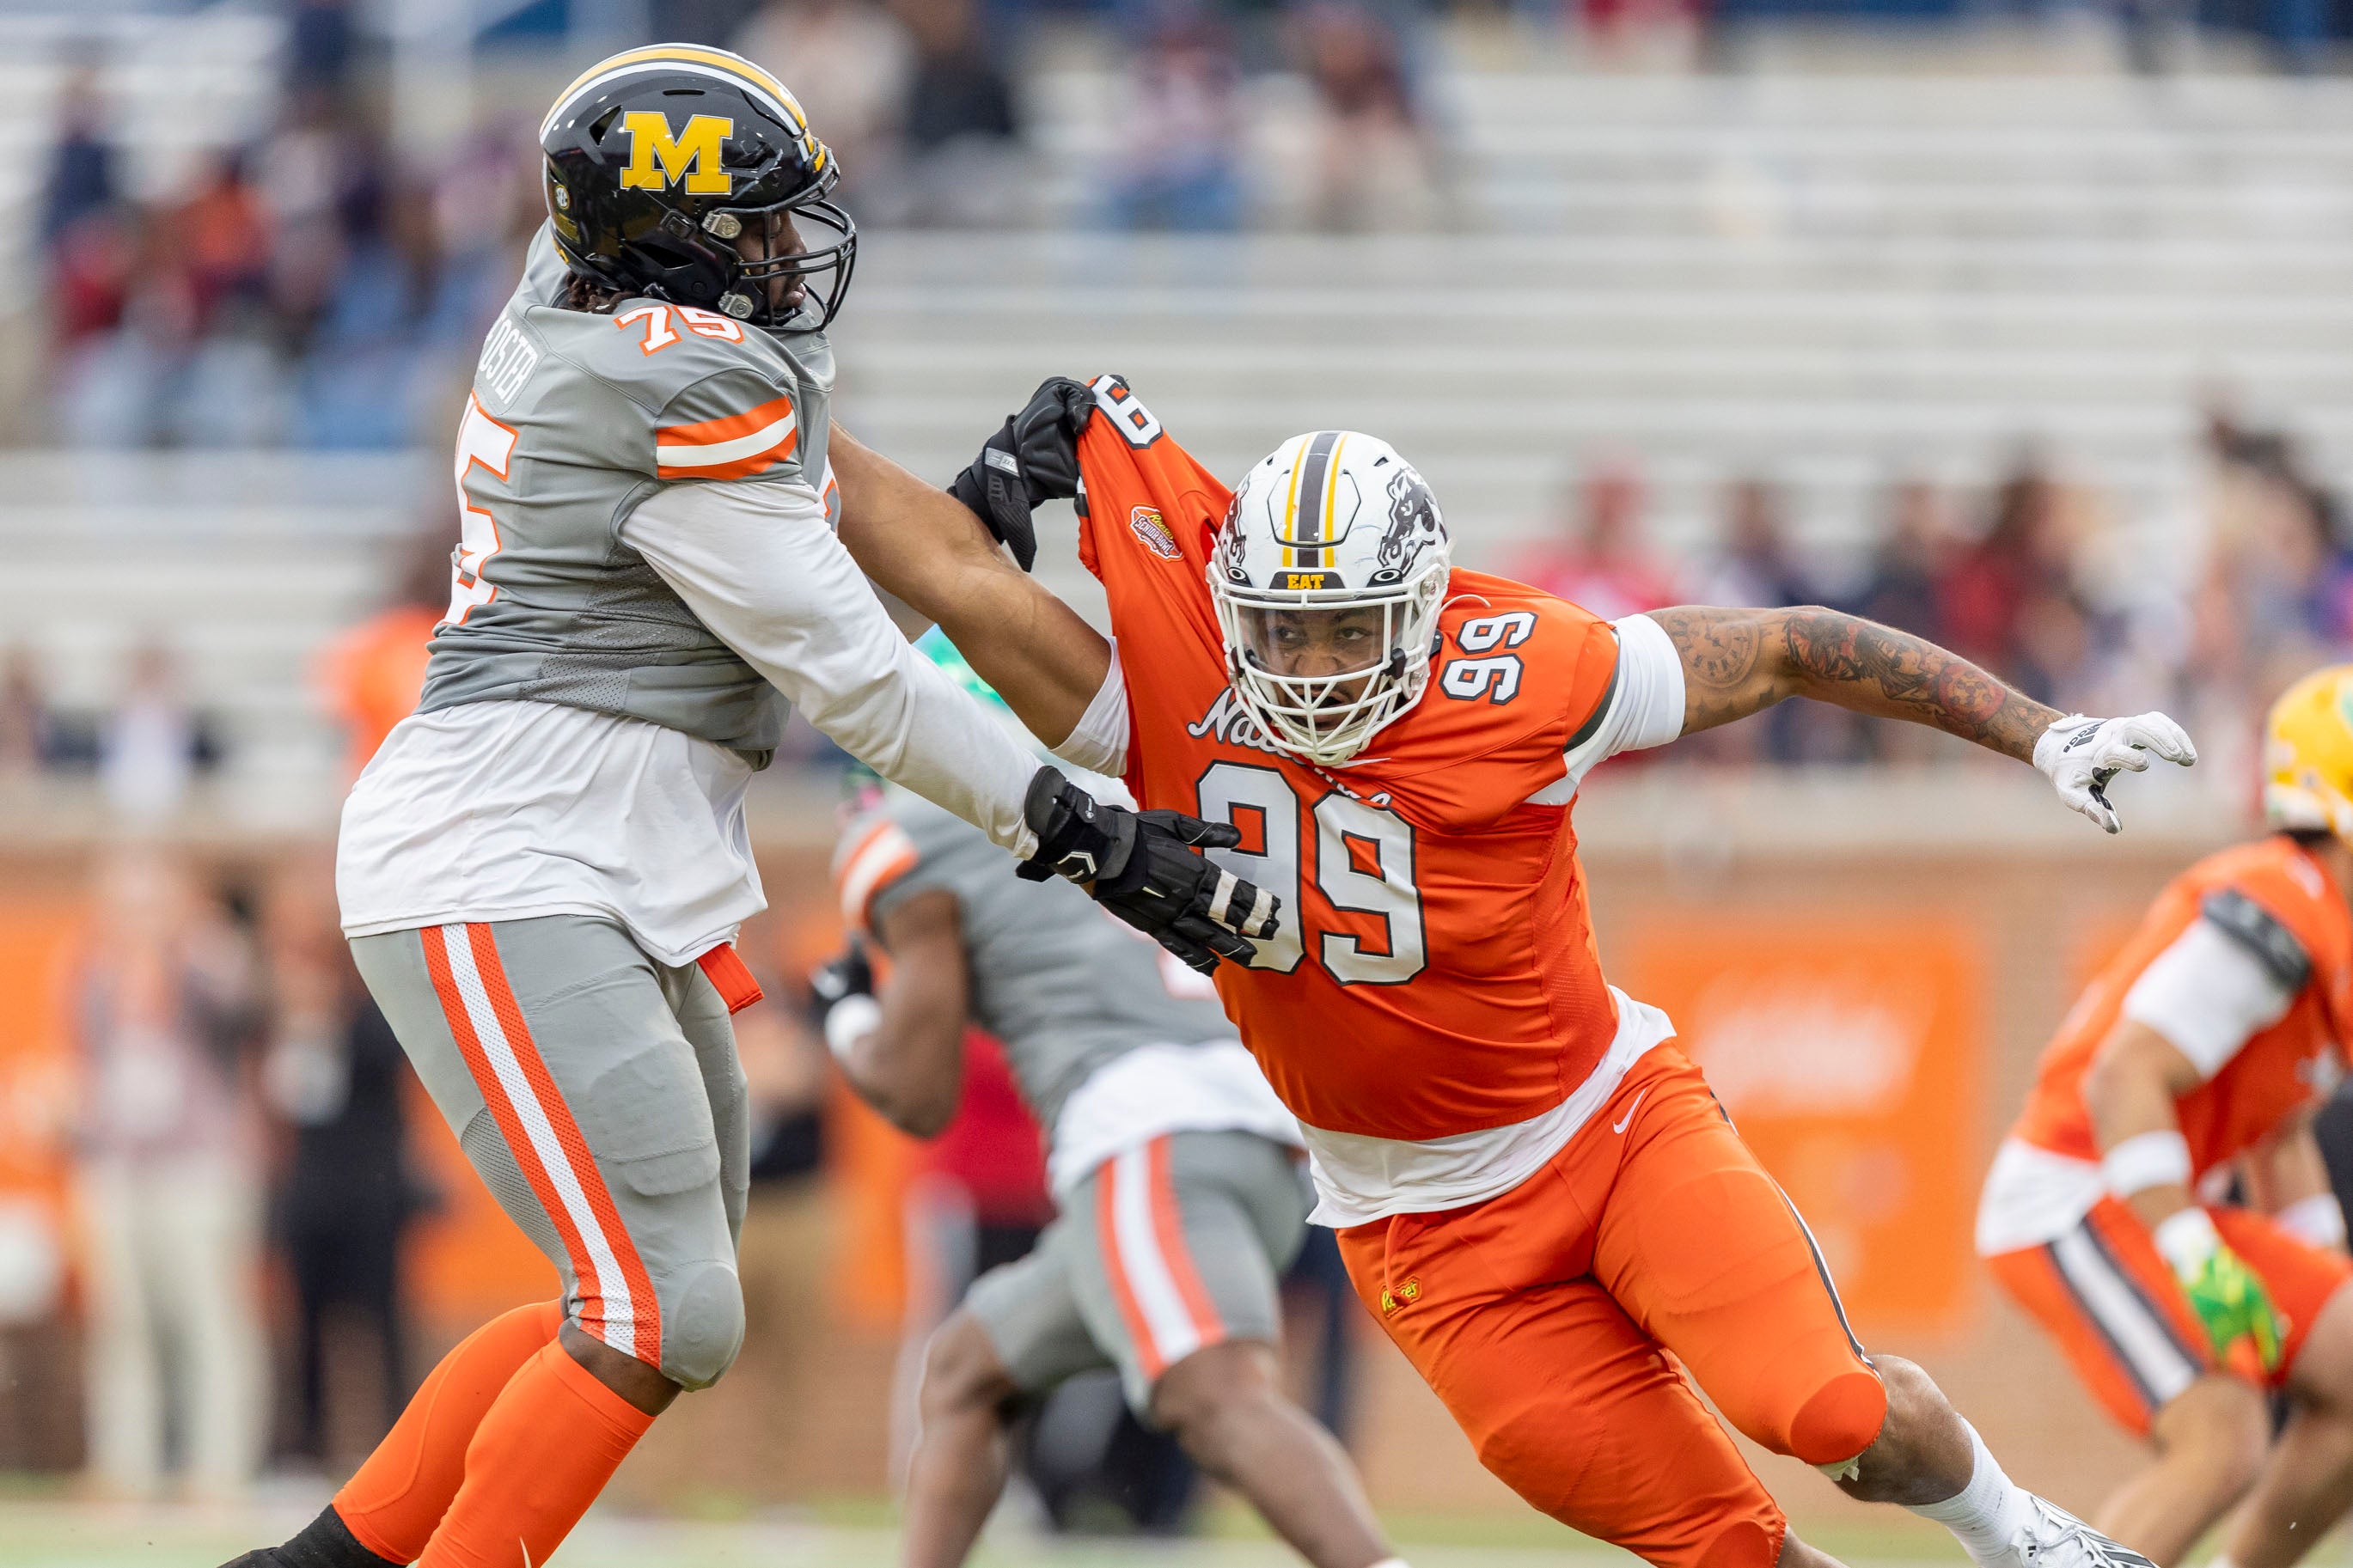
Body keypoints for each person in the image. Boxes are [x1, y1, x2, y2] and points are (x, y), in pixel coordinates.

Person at [223, 47, 1268, 1568]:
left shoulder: (599, 320)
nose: (786, 255)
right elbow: (858, 689)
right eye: (755, 226)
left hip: (593, 862)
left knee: (649, 1300)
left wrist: (977, 508)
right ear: (668, 238)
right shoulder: (674, 378)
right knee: (658, 1307)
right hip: (501, 864)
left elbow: (784, 583)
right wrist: (1081, 830)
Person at [950, 373, 2200, 1568]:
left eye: (1350, 629)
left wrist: (2042, 730)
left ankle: (2020, 1534)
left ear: (1424, 607)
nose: (1317, 666)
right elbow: (931, 564)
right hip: (1420, 1226)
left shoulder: (1528, 671)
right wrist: (768, 434)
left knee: (1830, 1411)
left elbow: (1786, 645)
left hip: (1606, 1129)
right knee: (1729, 1550)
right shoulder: (1181, 688)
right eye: (1286, 631)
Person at [811, 634, 1398, 1568]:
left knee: (1215, 1395)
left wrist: (845, 1015)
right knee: (967, 1369)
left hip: (1147, 1134)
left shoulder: (916, 830)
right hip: (1259, 1133)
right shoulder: (1123, 787)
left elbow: (918, 1097)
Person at [1977, 664, 2353, 1568]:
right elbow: (2123, 1078)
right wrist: (2200, 1264)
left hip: (2142, 1191)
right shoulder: (2278, 899)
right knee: (2219, 1440)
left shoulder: (2325, 916)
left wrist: (2321, 1278)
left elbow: (2281, 1125)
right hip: (2073, 1188)